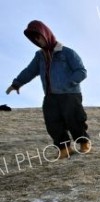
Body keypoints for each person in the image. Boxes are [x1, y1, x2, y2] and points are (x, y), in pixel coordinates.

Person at [5, 20, 90, 159]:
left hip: (70, 94)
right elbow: (29, 71)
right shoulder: (39, 56)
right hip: (50, 96)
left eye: (38, 36)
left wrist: (68, 83)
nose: (37, 40)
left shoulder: (67, 52)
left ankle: (83, 143)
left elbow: (81, 71)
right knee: (52, 122)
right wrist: (17, 83)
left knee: (74, 119)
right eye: (34, 39)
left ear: (45, 34)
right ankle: (64, 148)